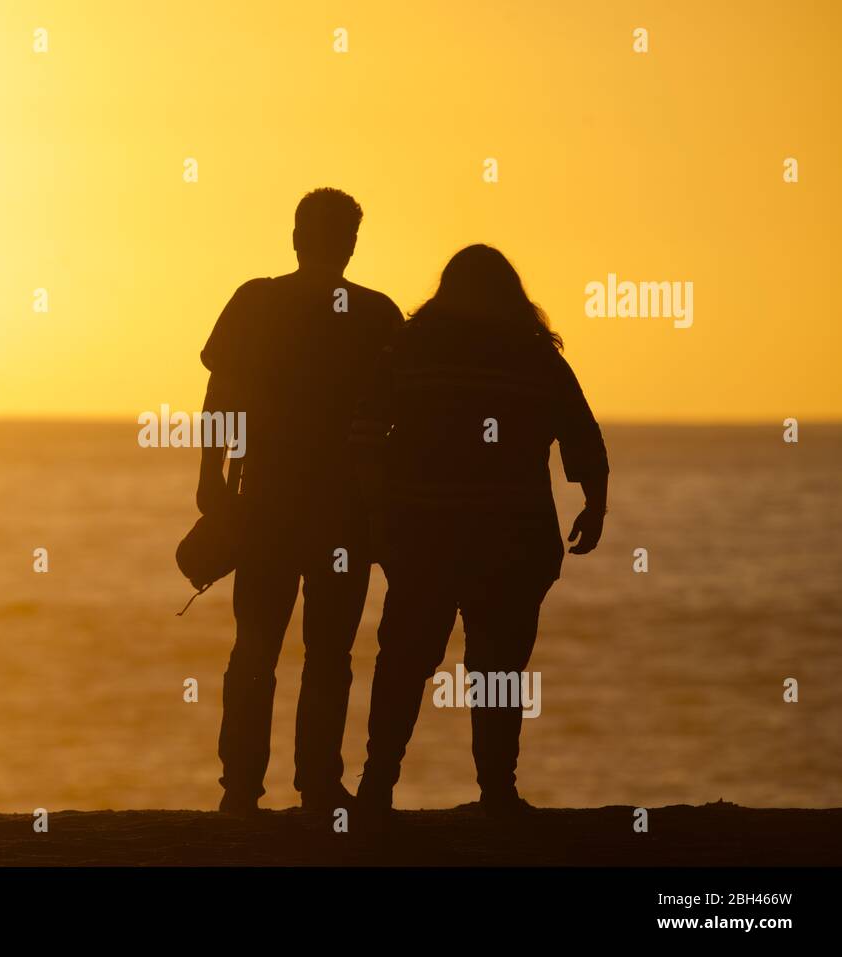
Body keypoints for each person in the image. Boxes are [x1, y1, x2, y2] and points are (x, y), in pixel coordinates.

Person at [351, 244, 608, 819]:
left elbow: (365, 431)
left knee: (404, 661)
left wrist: (376, 511)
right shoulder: (536, 357)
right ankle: (498, 791)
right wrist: (595, 504)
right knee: (498, 669)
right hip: (513, 539)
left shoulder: (411, 349)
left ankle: (376, 786)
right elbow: (581, 435)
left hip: (424, 535)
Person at [197, 188, 403, 814]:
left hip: (266, 505)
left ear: (295, 236)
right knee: (330, 655)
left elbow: (220, 397)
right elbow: (402, 419)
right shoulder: (376, 315)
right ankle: (317, 783)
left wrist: (211, 475)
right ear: (350, 244)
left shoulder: (256, 301)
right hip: (346, 512)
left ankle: (240, 790)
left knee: (255, 646)